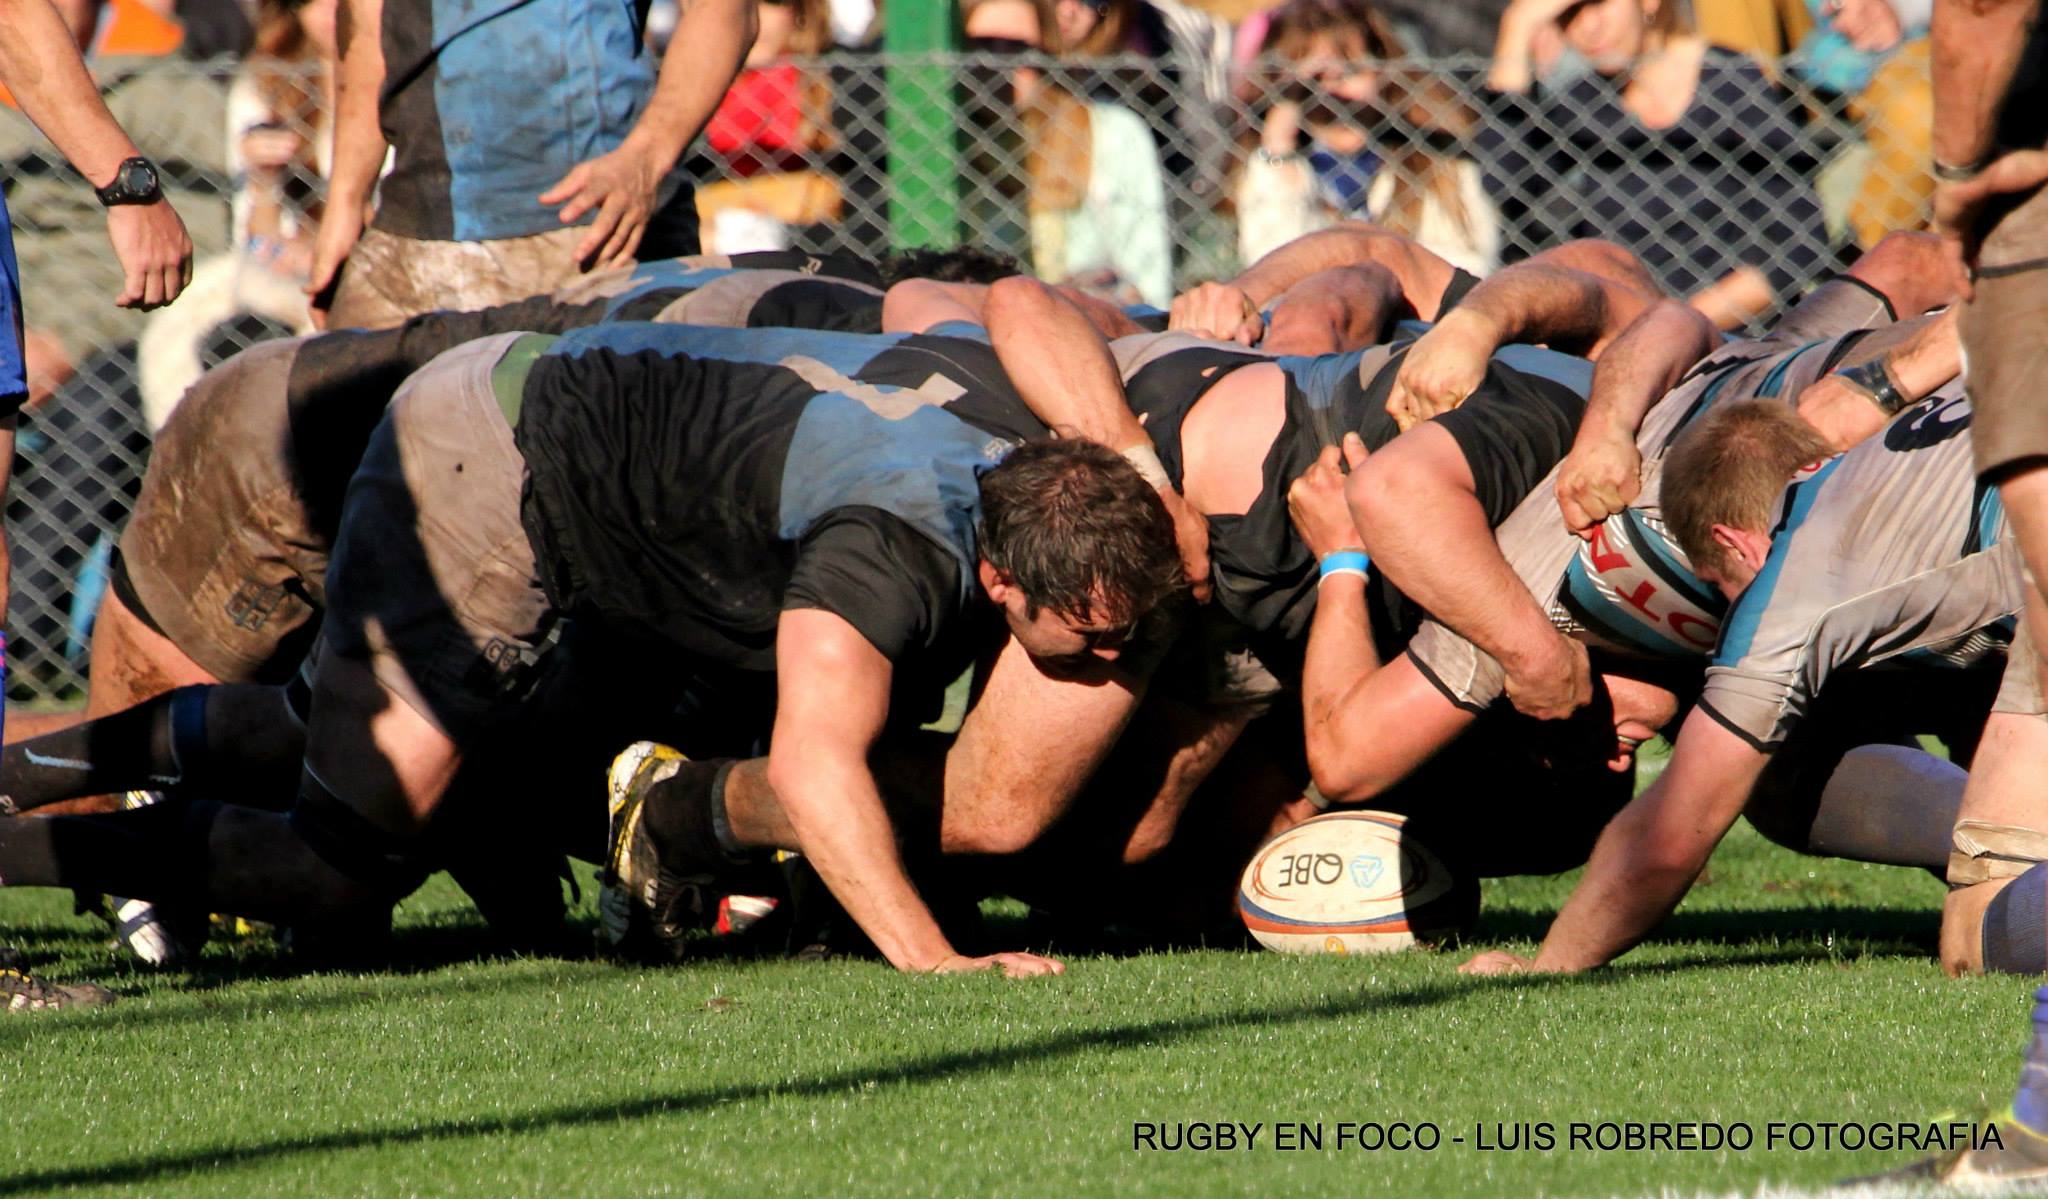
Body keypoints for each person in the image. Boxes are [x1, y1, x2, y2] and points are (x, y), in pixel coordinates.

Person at [0, 320, 1186, 979]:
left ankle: (15, 769)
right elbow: (815, 765)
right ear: (998, 579)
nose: (1107, 660)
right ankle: (15, 847)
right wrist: (934, 961)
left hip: (545, 420)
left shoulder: (1025, 456)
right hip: (490, 465)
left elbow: (1019, 297)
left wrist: (1144, 470)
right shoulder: (891, 552)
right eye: (1090, 640)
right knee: (339, 860)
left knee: (320, 730)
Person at [1460, 392, 2019, 976]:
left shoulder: (1796, 582)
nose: (1728, 605)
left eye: (1717, 583)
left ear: (1733, 542)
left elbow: (1673, 831)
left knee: (2009, 938)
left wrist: (1553, 964)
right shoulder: (1903, 438)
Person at [305, 0, 754, 329]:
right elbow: (366, 23)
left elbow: (724, 9)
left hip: (595, 224)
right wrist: (346, 199)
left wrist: (646, 158)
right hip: (417, 232)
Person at [1483, 0, 1831, 329]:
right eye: (1567, 15)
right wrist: (1516, 30)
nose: (1588, 27)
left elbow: (1799, 242)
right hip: (1623, 332)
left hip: (1732, 336)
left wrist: (1672, 327)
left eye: (1600, 3)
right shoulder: (1586, 102)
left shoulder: (1730, 81)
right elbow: (1502, 184)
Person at [1237, 0, 1500, 276]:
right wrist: (1279, 150)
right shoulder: (1273, 165)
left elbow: (1469, 266)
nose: (1331, 93)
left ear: (1383, 71)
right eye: (1313, 81)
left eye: (1349, 71)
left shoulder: (1435, 157)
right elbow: (1270, 268)